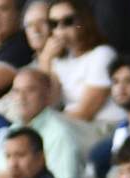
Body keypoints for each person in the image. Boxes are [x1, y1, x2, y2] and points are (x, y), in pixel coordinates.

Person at [38, 0, 119, 129]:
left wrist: (46, 122)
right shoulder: (58, 60)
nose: (60, 29)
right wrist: (45, 61)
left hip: (103, 126)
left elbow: (85, 112)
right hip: (71, 127)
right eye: (54, 24)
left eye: (68, 21)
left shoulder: (102, 54)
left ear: (83, 21)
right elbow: (49, 103)